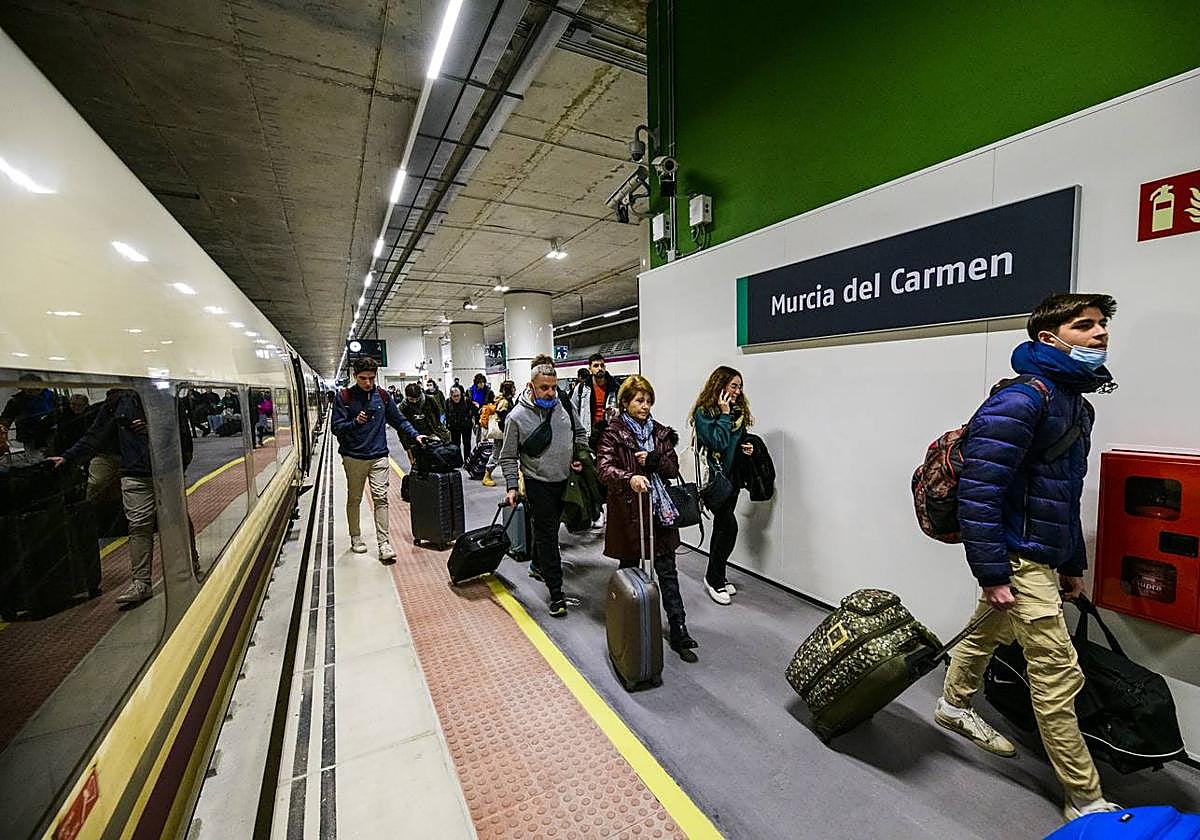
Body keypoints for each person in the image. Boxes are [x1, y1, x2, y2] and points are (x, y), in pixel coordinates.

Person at [936, 293, 1121, 822]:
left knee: (987, 630)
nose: (1099, 333)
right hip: (1016, 557)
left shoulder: (1076, 404)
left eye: (1102, 325)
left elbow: (1063, 492)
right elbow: (979, 491)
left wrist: (1072, 564)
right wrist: (993, 571)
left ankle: (952, 704)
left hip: (1041, 555)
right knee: (1058, 673)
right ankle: (1084, 798)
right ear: (1050, 339)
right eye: (1084, 326)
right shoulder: (1023, 400)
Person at [596, 375, 697, 660]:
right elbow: (603, 468)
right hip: (629, 511)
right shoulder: (612, 433)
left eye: (648, 400)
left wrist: (652, 461)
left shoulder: (661, 433)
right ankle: (627, 623)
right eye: (639, 400)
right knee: (628, 568)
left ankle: (678, 627)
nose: (645, 406)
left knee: (667, 570)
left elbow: (672, 467)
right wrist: (630, 478)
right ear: (625, 402)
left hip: (659, 511)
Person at [51, 389, 156, 606]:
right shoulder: (111, 406)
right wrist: (68, 457)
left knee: (177, 521)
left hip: (164, 469)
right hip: (134, 471)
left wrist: (152, 431)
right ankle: (141, 582)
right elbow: (94, 435)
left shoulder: (157, 396)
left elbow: (177, 432)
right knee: (138, 525)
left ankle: (191, 562)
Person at [499, 362, 588, 616]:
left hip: (565, 481)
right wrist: (512, 486)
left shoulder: (564, 404)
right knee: (548, 535)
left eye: (553, 387)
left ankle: (538, 564)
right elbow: (507, 456)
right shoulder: (516, 417)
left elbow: (580, 433)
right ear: (531, 387)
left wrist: (579, 455)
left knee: (549, 528)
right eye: (544, 388)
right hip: (538, 484)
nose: (550, 393)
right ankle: (557, 593)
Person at [331, 356, 426, 562]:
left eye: (372, 378)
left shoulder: (382, 396)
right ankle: (356, 537)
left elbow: (398, 420)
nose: (368, 383)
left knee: (381, 499)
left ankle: (384, 543)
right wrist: (355, 422)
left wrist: (415, 434)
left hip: (379, 456)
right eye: (363, 378)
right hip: (353, 457)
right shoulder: (344, 397)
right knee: (354, 498)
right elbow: (336, 428)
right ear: (355, 376)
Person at [691, 366, 755, 605]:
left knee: (721, 528)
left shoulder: (737, 411)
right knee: (729, 528)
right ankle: (713, 578)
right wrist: (725, 413)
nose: (738, 391)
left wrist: (747, 445)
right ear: (720, 386)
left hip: (732, 480)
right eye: (733, 386)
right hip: (714, 482)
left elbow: (736, 440)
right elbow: (717, 442)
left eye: (740, 386)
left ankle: (717, 574)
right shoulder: (704, 412)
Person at [570, 353, 619, 453]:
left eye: (602, 365)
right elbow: (573, 410)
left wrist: (614, 411)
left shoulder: (615, 387)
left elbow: (623, 410)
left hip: (610, 432)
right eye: (596, 366)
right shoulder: (581, 388)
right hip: (589, 434)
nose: (600, 368)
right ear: (590, 369)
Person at [0, 373, 57, 454]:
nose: (32, 391)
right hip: (31, 437)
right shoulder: (17, 402)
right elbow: (5, 420)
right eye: (28, 389)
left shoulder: (51, 396)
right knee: (37, 461)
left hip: (53, 434)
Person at [400, 382, 450, 466]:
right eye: (411, 399)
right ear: (406, 396)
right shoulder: (403, 408)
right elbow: (401, 431)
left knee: (437, 462)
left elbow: (437, 415)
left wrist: (437, 430)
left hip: (432, 435)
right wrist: (409, 452)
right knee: (418, 465)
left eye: (417, 399)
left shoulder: (429, 401)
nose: (415, 401)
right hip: (413, 440)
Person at [481, 380, 516, 487]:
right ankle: (486, 476)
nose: (515, 390)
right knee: (496, 455)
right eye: (513, 388)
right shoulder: (504, 402)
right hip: (502, 433)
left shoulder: (506, 400)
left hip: (505, 432)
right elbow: (503, 417)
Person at [444, 385, 477, 465]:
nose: (456, 398)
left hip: (466, 425)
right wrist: (447, 426)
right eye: (454, 396)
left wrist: (475, 422)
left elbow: (474, 411)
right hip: (454, 426)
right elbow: (446, 414)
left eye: (458, 395)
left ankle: (467, 460)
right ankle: (458, 461)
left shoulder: (467, 401)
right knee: (455, 445)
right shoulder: (448, 402)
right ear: (451, 396)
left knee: (467, 443)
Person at [468, 374, 495, 446]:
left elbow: (492, 402)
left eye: (483, 382)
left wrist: (484, 406)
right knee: (477, 430)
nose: (482, 384)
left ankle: (484, 445)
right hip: (474, 414)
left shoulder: (488, 391)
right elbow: (468, 401)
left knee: (484, 432)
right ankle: (479, 445)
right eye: (480, 383)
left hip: (484, 413)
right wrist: (473, 402)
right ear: (476, 383)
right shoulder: (470, 390)